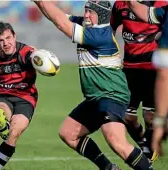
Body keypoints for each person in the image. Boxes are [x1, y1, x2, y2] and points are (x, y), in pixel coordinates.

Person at [34, 1, 152, 169]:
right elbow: (57, 17)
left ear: (102, 15)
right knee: (68, 134)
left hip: (112, 95)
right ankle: (109, 168)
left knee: (116, 142)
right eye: (86, 11)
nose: (87, 15)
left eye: (91, 12)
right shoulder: (87, 25)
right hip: (96, 97)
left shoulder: (100, 35)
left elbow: (61, 24)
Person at [110, 0, 166, 162]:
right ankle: (144, 144)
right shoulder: (120, 4)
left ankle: (148, 152)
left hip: (152, 68)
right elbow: (111, 29)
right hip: (129, 68)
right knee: (127, 117)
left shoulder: (159, 4)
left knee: (149, 116)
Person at [0, 21, 40, 170]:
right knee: (0, 110)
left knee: (13, 134)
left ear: (14, 36)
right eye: (1, 40)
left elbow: (39, 59)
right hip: (2, 95)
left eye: (8, 38)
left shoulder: (27, 53)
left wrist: (40, 57)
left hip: (25, 98)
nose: (5, 43)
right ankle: (1, 119)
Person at [127, 0, 168, 157]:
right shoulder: (163, 11)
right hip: (133, 70)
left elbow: (164, 75)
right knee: (129, 116)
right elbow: (143, 12)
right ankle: (146, 146)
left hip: (152, 73)